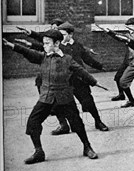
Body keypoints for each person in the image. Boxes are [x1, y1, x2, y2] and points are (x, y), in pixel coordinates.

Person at [3, 30, 104, 164]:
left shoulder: (67, 59)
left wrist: (95, 82)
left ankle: (87, 147)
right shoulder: (43, 57)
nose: (44, 45)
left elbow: (81, 71)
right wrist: (10, 45)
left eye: (47, 43)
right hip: (46, 97)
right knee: (33, 122)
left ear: (57, 43)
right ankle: (38, 152)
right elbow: (27, 52)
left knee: (77, 123)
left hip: (65, 97)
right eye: (43, 43)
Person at [17, 22, 109, 134]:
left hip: (78, 79)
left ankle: (98, 121)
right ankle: (63, 125)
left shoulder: (77, 46)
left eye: (63, 34)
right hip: (62, 82)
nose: (60, 37)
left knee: (87, 101)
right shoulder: (56, 46)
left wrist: (100, 66)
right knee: (56, 104)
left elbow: (88, 59)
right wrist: (30, 34)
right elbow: (42, 43)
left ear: (70, 35)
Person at [102, 17, 134, 108]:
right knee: (123, 81)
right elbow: (118, 36)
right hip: (133, 62)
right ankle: (131, 101)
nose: (128, 29)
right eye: (127, 27)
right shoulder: (127, 36)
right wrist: (109, 32)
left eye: (131, 27)